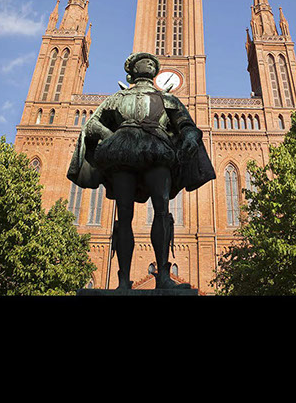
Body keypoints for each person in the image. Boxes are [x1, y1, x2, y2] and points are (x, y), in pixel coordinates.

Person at [67, 52, 215, 290]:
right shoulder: (118, 97)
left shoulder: (166, 98)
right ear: (133, 70)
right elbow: (92, 123)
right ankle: (123, 280)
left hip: (157, 153)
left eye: (151, 63)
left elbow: (186, 124)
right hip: (123, 155)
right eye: (142, 62)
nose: (148, 64)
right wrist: (111, 136)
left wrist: (189, 137)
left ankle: (163, 275)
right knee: (124, 215)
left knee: (162, 210)